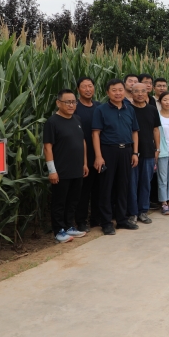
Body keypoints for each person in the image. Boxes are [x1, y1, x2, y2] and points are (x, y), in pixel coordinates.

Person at [92, 79, 140, 235]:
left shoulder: (129, 109)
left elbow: (134, 132)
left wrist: (135, 153)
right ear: (107, 92)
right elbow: (95, 134)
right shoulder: (101, 110)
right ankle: (106, 222)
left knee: (123, 186)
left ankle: (121, 220)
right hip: (108, 151)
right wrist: (98, 156)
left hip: (126, 151)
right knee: (106, 187)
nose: (118, 93)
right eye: (114, 90)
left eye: (120, 90)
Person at [44, 89, 89, 243]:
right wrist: (52, 171)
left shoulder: (77, 119)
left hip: (77, 169)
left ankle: (69, 226)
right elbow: (47, 147)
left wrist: (84, 163)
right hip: (61, 170)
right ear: (58, 103)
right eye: (67, 102)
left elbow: (82, 142)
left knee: (73, 200)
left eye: (73, 102)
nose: (71, 105)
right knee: (59, 202)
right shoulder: (52, 122)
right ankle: (59, 230)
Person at [127, 82, 160, 225]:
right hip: (131, 153)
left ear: (147, 93)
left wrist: (157, 149)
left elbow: (156, 130)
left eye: (143, 91)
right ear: (131, 93)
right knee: (132, 184)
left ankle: (143, 211)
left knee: (146, 183)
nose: (140, 94)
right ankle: (132, 213)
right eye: (136, 91)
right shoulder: (128, 109)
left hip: (148, 151)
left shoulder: (152, 109)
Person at [74, 77, 101, 232]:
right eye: (84, 87)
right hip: (82, 155)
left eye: (90, 86)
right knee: (83, 191)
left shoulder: (99, 107)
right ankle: (81, 221)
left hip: (98, 154)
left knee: (98, 189)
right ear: (78, 89)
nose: (88, 89)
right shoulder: (75, 107)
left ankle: (96, 218)